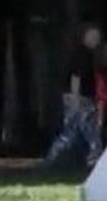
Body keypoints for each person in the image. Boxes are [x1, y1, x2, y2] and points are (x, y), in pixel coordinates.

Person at [44, 25, 103, 168]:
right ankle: (95, 160)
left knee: (71, 132)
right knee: (89, 131)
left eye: (98, 37)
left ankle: (52, 158)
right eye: (93, 37)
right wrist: (76, 99)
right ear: (85, 37)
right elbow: (75, 77)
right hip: (79, 98)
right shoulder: (82, 55)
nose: (96, 40)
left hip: (79, 97)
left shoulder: (87, 54)